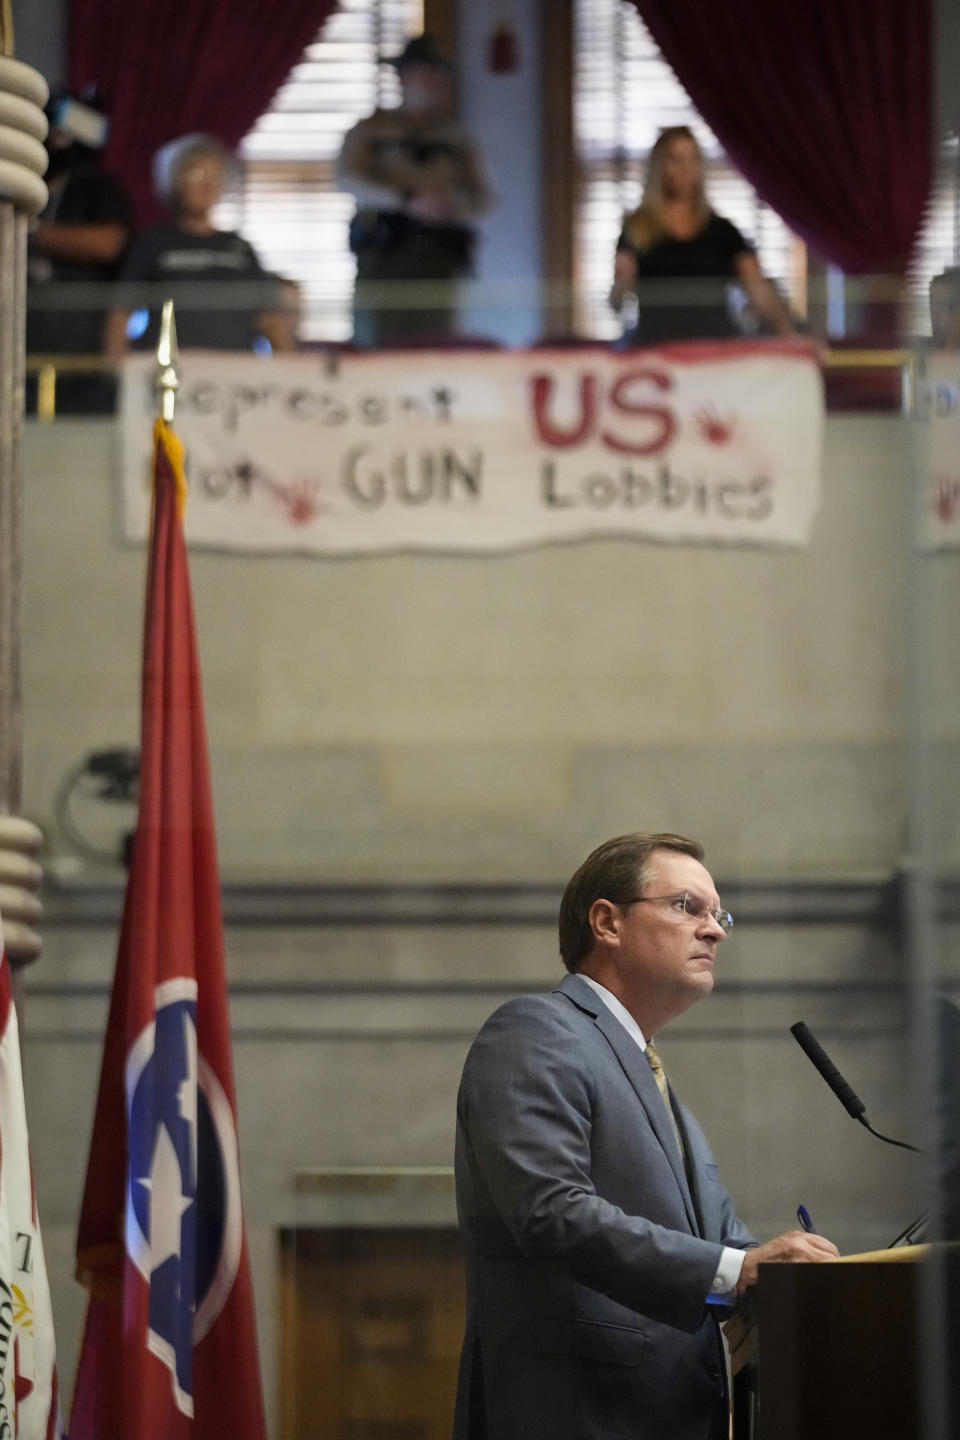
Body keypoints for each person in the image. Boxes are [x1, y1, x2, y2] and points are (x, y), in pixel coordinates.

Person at [453, 831, 838, 1440]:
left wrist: (793, 1271)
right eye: (688, 907)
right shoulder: (536, 1032)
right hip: (577, 1417)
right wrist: (738, 1268)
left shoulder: (652, 1077)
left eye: (720, 916)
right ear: (607, 922)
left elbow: (722, 1244)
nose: (714, 931)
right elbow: (551, 1212)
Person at [337, 34, 494, 347]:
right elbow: (346, 178)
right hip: (383, 256)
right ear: (404, 77)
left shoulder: (457, 139)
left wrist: (449, 206)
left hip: (437, 259)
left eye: (438, 73)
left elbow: (484, 199)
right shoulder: (371, 129)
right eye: (424, 71)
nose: (433, 81)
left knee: (434, 348)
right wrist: (405, 201)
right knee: (376, 348)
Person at [104, 134, 293, 358]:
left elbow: (271, 319)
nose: (207, 184)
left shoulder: (240, 248)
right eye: (196, 174)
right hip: (167, 370)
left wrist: (288, 372)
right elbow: (120, 313)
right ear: (174, 177)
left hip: (235, 372)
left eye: (215, 176)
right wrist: (118, 372)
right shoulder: (152, 243)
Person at [611, 126, 794, 346]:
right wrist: (622, 284)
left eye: (693, 159)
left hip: (714, 351)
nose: (685, 169)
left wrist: (789, 336)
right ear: (660, 166)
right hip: (658, 350)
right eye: (675, 159)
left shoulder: (722, 231)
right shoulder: (637, 230)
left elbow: (758, 288)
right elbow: (617, 302)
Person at [27, 90, 134, 413]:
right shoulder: (23, 184)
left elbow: (109, 242)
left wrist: (32, 233)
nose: (57, 140)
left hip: (83, 353)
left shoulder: (99, 187)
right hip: (22, 347)